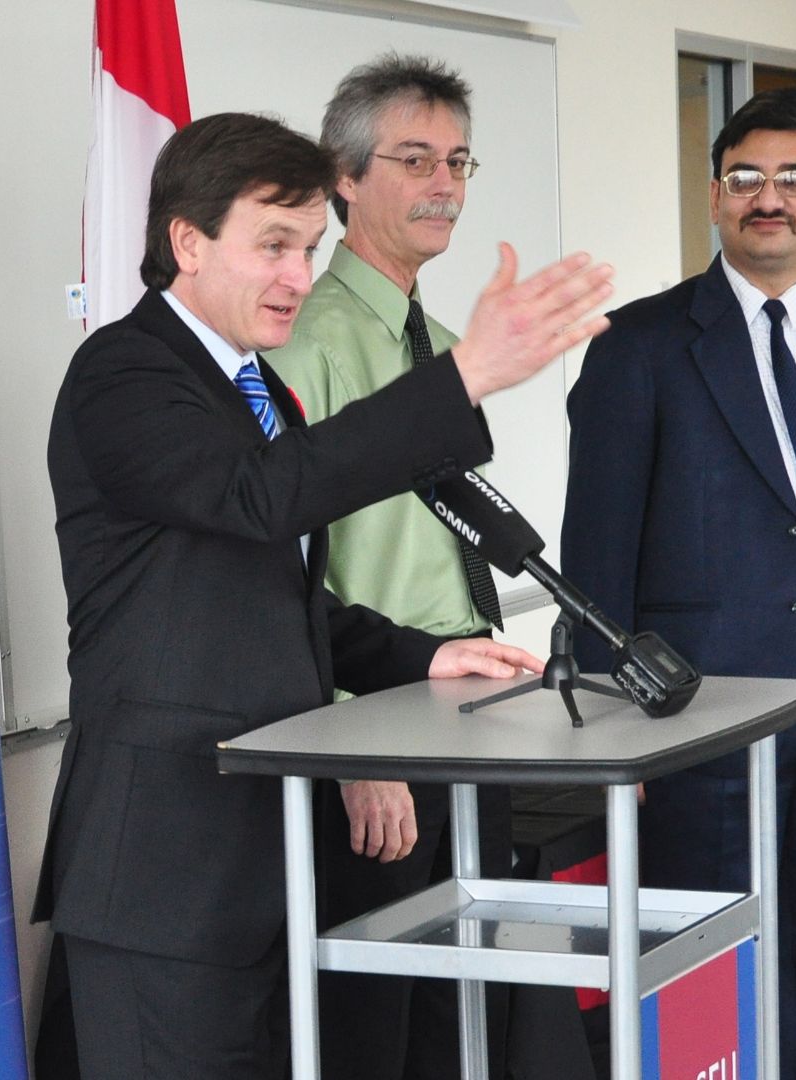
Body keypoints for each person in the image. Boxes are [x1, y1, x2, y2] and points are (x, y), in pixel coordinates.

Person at [34, 111, 611, 1076]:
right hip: (166, 873)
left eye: (309, 247)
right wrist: (464, 373)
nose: (300, 276)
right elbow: (262, 500)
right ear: (187, 241)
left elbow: (278, 602)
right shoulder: (122, 372)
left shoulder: (262, 391)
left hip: (274, 865)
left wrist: (419, 654)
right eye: (273, 246)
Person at [562, 88, 796, 1079]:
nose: (769, 199)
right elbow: (596, 558)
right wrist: (613, 742)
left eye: (794, 180)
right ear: (713, 195)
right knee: (707, 981)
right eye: (746, 178)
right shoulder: (640, 345)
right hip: (701, 721)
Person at [267, 54, 512, 1076]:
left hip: (467, 714)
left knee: (463, 1026)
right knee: (377, 1033)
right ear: (346, 176)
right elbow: (276, 568)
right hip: (372, 729)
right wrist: (352, 747)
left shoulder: (443, 342)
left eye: (457, 160)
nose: (444, 183)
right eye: (414, 158)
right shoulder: (304, 339)